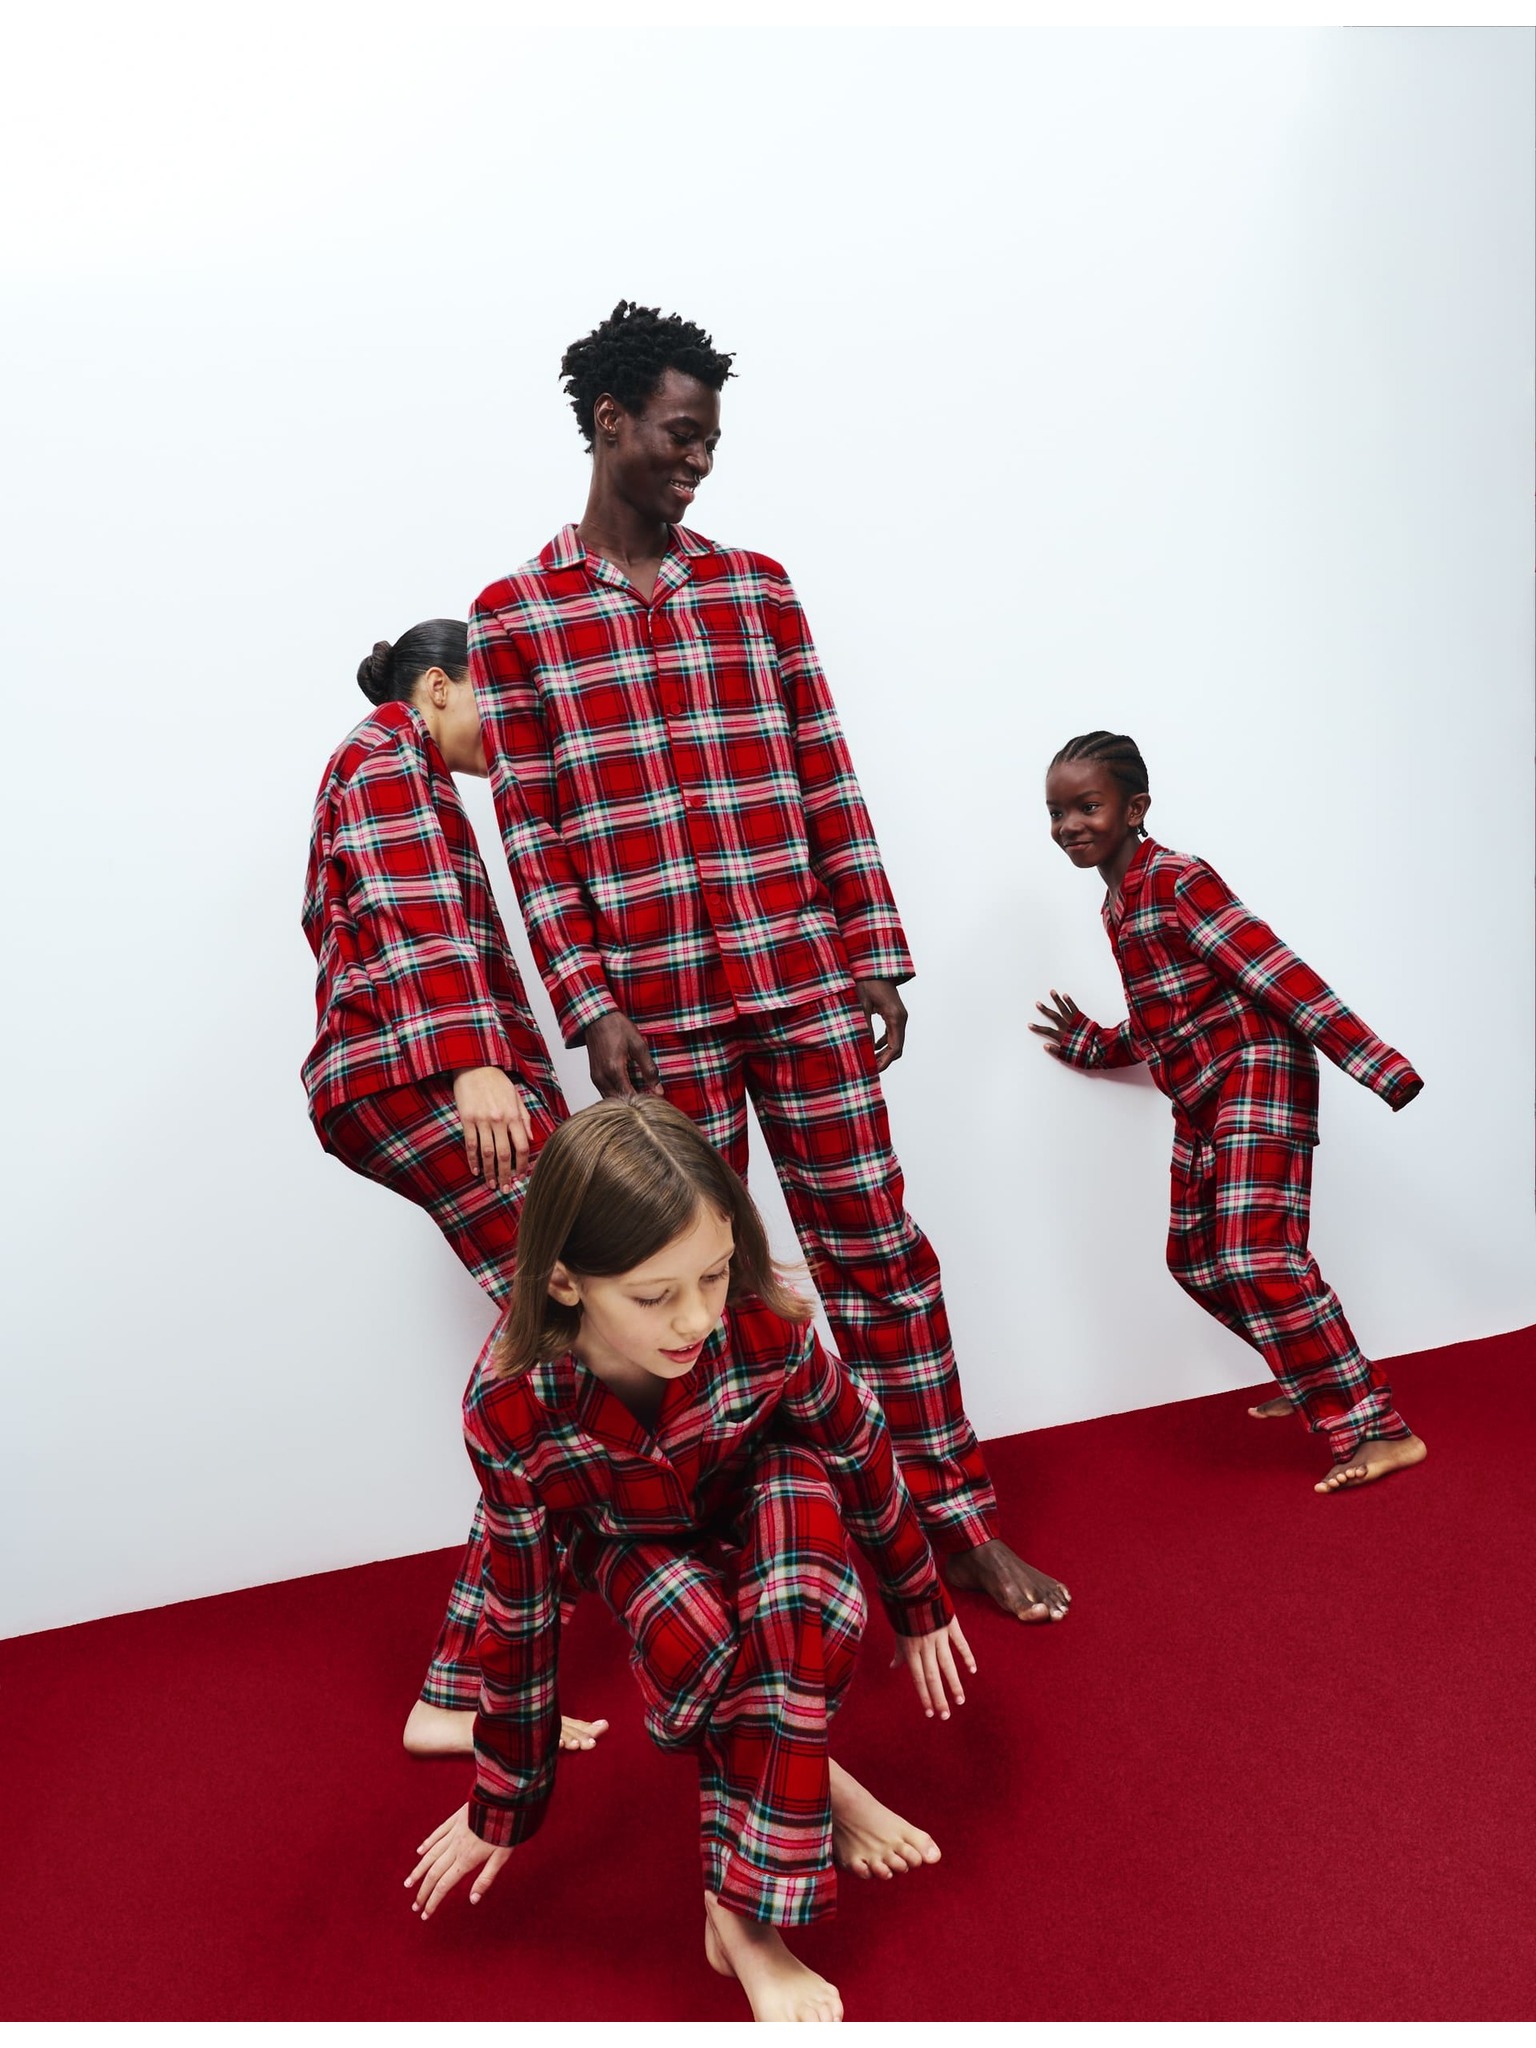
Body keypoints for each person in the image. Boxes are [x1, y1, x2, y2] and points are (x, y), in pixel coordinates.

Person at [465, 300, 1068, 1626]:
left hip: (801, 981)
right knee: (701, 1291)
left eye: (712, 441)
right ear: (610, 421)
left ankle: (956, 1523)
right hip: (655, 1019)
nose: (699, 459)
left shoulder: (759, 589)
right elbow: (532, 837)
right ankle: (748, 1551)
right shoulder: (512, 619)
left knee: (879, 1254)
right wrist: (590, 1006)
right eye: (680, 434)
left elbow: (824, 773)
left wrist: (874, 952)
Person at [403, 1096, 973, 2024]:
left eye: (713, 1276)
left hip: (765, 1490)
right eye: (654, 1296)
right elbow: (522, 1609)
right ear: (563, 1283)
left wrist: (918, 1600)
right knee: (702, 1643)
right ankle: (802, 1791)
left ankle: (743, 1911)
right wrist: (504, 1800)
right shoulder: (507, 1406)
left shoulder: (758, 1322)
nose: (698, 1317)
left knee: (807, 1599)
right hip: (629, 1541)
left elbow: (856, 1443)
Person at [302, 621, 605, 1755]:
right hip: (422, 1071)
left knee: (573, 1331)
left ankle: (476, 1665)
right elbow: (410, 906)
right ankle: (465, 1683)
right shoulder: (384, 750)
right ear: (437, 687)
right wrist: (476, 1061)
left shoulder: (397, 763)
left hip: (411, 1067)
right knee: (579, 1317)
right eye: (500, 704)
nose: (513, 733)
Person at [1032, 730, 1428, 1494]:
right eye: (1056, 812)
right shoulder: (1116, 906)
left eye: (1087, 806)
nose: (1069, 826)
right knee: (1193, 1259)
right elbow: (1162, 1019)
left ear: (1135, 808)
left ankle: (1377, 1427)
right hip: (1200, 1092)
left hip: (1256, 1070)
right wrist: (1093, 1045)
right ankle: (1311, 1376)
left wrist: (1376, 1065)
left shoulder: (1177, 879)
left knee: (1256, 1254)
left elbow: (1276, 970)